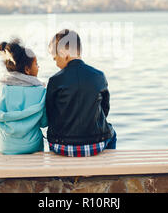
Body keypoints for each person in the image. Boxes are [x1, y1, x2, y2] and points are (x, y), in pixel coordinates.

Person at [46, 29, 116, 157]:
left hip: (61, 146)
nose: (56, 63)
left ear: (63, 53)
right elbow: (105, 109)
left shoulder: (55, 80)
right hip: (96, 144)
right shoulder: (99, 76)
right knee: (112, 133)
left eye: (55, 58)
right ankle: (109, 164)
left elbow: (50, 114)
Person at [0, 38, 47, 154]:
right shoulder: (41, 92)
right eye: (36, 64)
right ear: (27, 70)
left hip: (4, 147)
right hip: (32, 148)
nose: (38, 67)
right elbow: (44, 122)